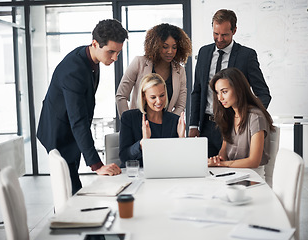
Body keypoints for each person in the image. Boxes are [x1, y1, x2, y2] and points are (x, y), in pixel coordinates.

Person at [37, 19, 128, 195]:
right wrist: (97, 165)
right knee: (68, 188)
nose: (115, 58)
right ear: (95, 43)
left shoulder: (90, 57)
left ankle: (70, 216)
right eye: (111, 52)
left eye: (118, 52)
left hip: (71, 129)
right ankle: (67, 220)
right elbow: (77, 120)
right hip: (58, 132)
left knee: (70, 185)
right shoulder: (74, 70)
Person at [189, 9, 271, 158]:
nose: (219, 39)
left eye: (224, 35)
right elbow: (197, 91)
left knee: (230, 172)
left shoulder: (246, 56)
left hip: (233, 126)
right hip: (206, 125)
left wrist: (248, 117)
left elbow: (264, 94)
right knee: (205, 171)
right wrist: (193, 125)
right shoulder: (203, 53)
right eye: (216, 34)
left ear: (234, 31)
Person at [207, 67, 275, 177]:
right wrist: (217, 161)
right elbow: (223, 153)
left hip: (252, 176)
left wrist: (223, 164)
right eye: (217, 93)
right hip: (231, 174)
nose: (220, 98)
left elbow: (254, 161)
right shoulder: (229, 116)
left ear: (238, 89)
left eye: (224, 92)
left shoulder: (255, 117)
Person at [116, 23, 192, 117]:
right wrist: (128, 122)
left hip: (165, 128)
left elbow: (180, 105)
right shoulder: (139, 63)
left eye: (174, 47)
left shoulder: (180, 71)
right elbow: (121, 96)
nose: (170, 51)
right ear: (155, 45)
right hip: (138, 125)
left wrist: (169, 124)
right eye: (165, 46)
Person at [119, 73, 185, 167]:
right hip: (138, 175)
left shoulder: (174, 121)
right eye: (153, 97)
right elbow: (124, 157)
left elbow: (180, 160)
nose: (159, 101)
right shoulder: (129, 118)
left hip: (165, 174)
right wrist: (143, 142)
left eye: (162, 95)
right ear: (143, 96)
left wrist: (182, 138)